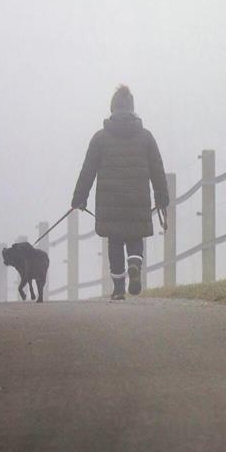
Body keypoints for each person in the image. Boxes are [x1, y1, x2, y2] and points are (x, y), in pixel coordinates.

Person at [72, 85, 170, 300]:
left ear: (112, 109)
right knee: (135, 236)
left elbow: (88, 169)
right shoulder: (146, 137)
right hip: (137, 198)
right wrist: (162, 196)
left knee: (115, 241)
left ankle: (118, 289)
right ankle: (134, 263)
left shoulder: (100, 138)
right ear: (132, 109)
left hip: (110, 200)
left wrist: (79, 197)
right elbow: (157, 168)